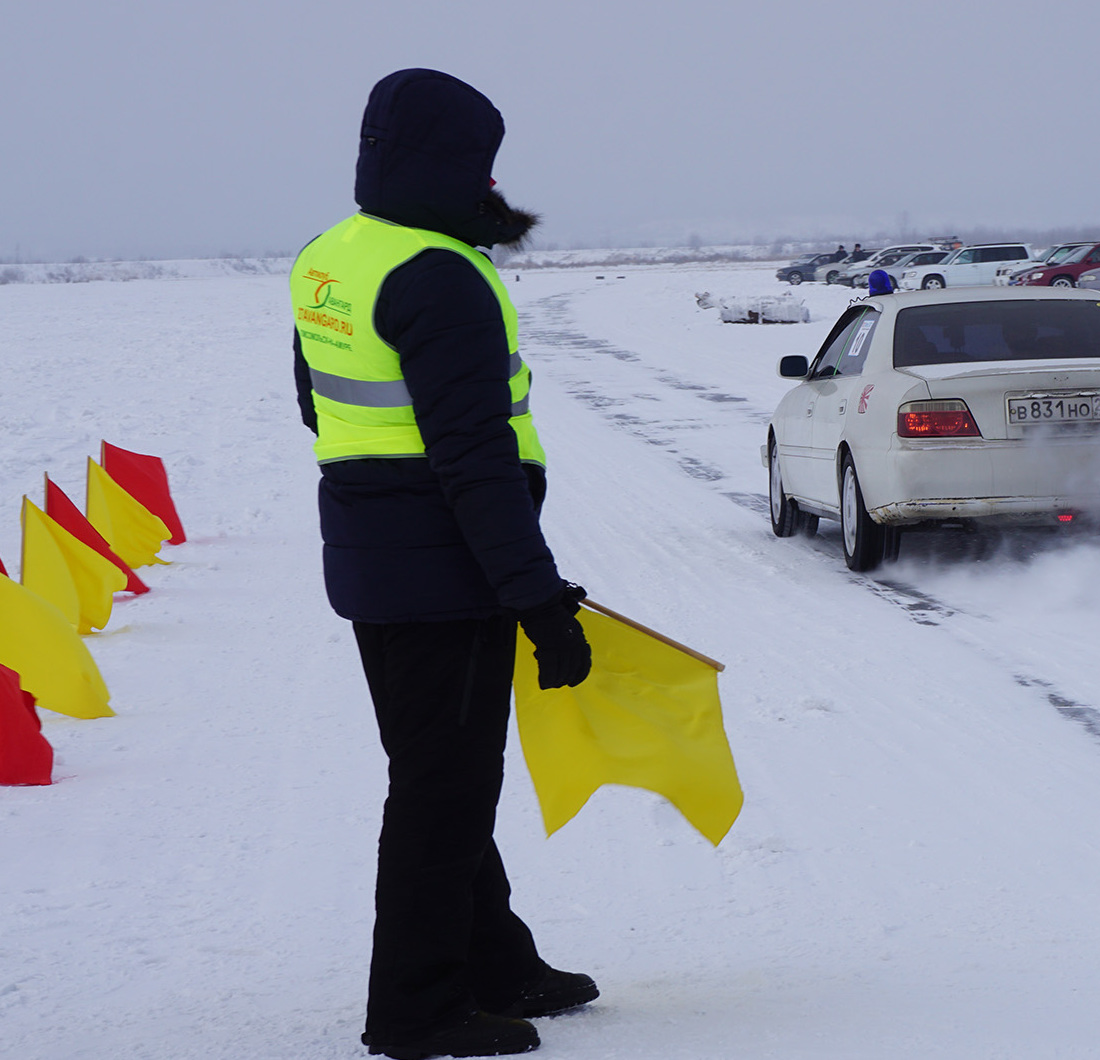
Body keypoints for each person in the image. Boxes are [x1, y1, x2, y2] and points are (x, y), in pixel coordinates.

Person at [290, 68, 598, 1060]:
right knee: (442, 788)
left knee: (441, 772)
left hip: (375, 561)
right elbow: (475, 458)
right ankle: (417, 1008)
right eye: (481, 162)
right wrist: (538, 599)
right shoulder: (441, 275)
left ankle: (498, 961)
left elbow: (315, 400)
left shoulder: (333, 255)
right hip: (444, 572)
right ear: (453, 162)